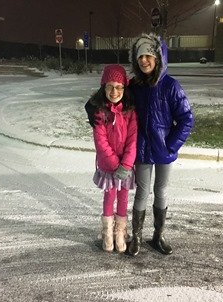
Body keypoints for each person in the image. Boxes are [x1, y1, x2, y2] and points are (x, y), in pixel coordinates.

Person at [85, 33, 194, 256]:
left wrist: (171, 145)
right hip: (141, 150)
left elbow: (186, 118)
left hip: (164, 151)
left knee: (161, 190)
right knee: (142, 192)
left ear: (158, 58)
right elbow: (106, 97)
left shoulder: (171, 86)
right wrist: (91, 110)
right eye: (140, 56)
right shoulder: (133, 86)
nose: (144, 60)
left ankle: (158, 235)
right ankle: (135, 236)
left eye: (149, 55)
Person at [90, 64, 138, 253]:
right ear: (104, 87)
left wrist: (126, 164)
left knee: (124, 197)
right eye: (110, 86)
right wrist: (113, 164)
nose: (114, 91)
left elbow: (133, 139)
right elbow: (100, 141)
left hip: (125, 167)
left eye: (119, 87)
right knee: (109, 196)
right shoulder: (99, 113)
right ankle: (108, 233)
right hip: (108, 166)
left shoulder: (129, 112)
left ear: (124, 89)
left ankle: (120, 231)